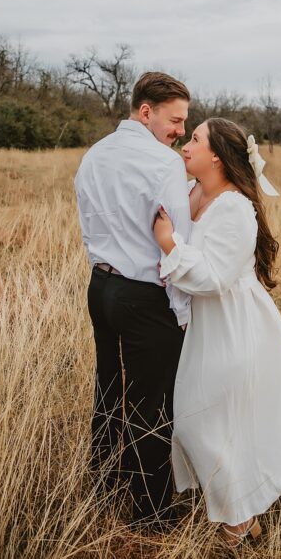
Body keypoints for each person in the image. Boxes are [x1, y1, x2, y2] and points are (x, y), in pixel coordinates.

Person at [153, 118, 281, 546]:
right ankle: (242, 519)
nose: (186, 144)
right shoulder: (193, 192)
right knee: (203, 422)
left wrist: (169, 245)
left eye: (195, 139)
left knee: (208, 422)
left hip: (237, 327)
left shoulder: (236, 208)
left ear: (216, 154)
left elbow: (215, 276)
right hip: (207, 326)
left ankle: (235, 527)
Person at [73, 72, 194, 525]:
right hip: (145, 297)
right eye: (175, 120)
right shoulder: (165, 164)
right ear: (146, 111)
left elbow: (89, 223)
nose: (180, 131)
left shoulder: (93, 155)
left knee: (108, 388)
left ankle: (104, 486)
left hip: (100, 288)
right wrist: (182, 311)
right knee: (152, 403)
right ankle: (152, 511)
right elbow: (175, 242)